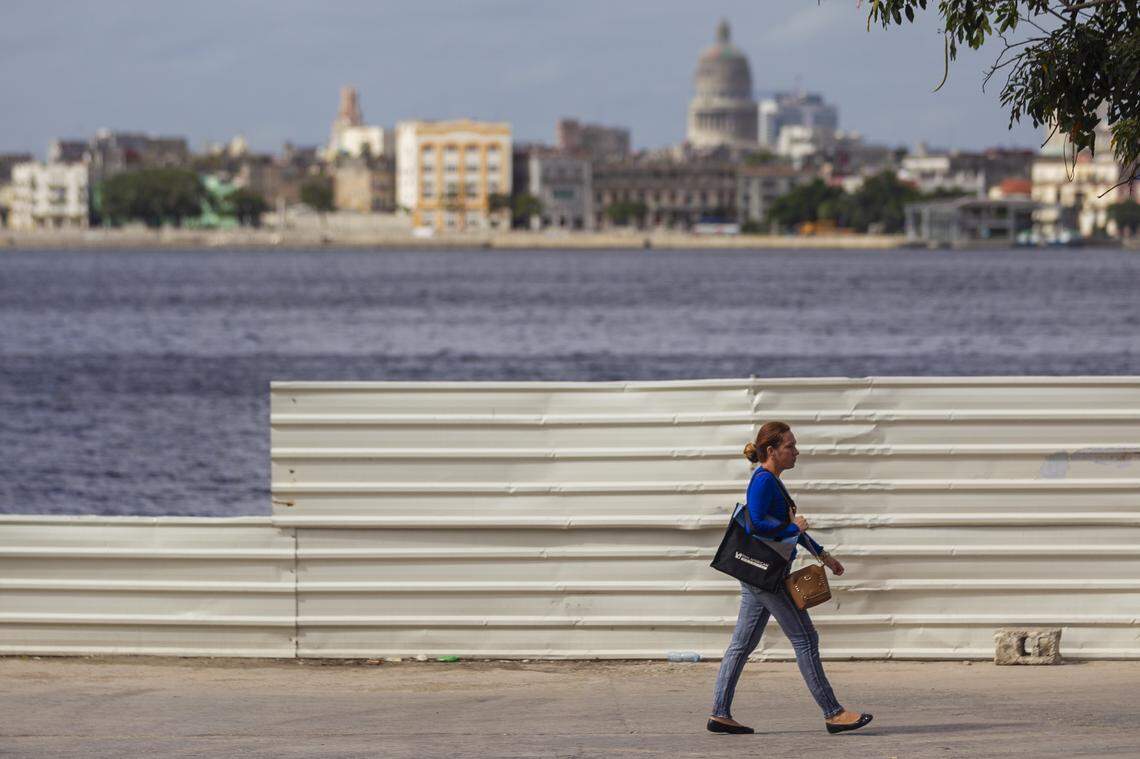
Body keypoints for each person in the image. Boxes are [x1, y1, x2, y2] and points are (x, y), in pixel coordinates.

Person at [707, 421, 873, 735]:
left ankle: (720, 713)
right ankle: (833, 713)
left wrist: (824, 556)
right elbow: (758, 524)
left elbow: (789, 529)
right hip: (766, 577)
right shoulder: (763, 481)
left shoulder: (772, 481)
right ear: (771, 451)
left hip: (759, 575)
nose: (796, 451)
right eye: (790, 446)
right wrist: (793, 528)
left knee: (741, 645)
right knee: (805, 639)